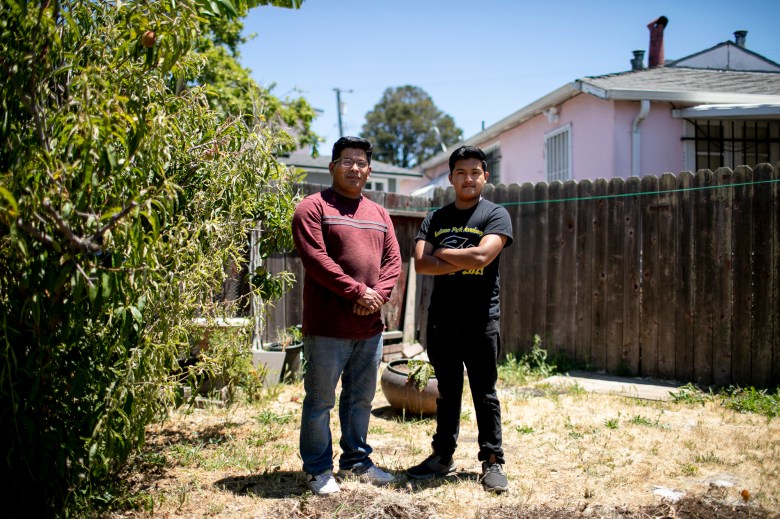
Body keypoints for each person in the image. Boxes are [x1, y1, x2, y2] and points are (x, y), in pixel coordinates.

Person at [292, 136, 402, 495]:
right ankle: (318, 469)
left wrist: (378, 296)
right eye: (347, 161)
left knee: (360, 400)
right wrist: (359, 291)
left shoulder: (379, 213)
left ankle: (356, 461)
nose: (355, 168)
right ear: (332, 167)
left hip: (369, 327)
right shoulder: (313, 208)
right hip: (327, 328)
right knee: (320, 401)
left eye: (361, 162)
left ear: (369, 170)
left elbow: (393, 262)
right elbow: (317, 261)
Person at [405, 145, 513, 493]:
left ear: (485, 176)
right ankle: (442, 456)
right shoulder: (435, 218)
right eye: (461, 172)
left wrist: (443, 252)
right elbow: (421, 264)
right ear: (451, 177)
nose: (468, 178)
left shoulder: (496, 215)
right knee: (447, 393)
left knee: (486, 393)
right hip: (442, 321)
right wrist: (460, 257)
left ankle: (492, 462)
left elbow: (482, 256)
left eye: (475, 172)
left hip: (481, 320)